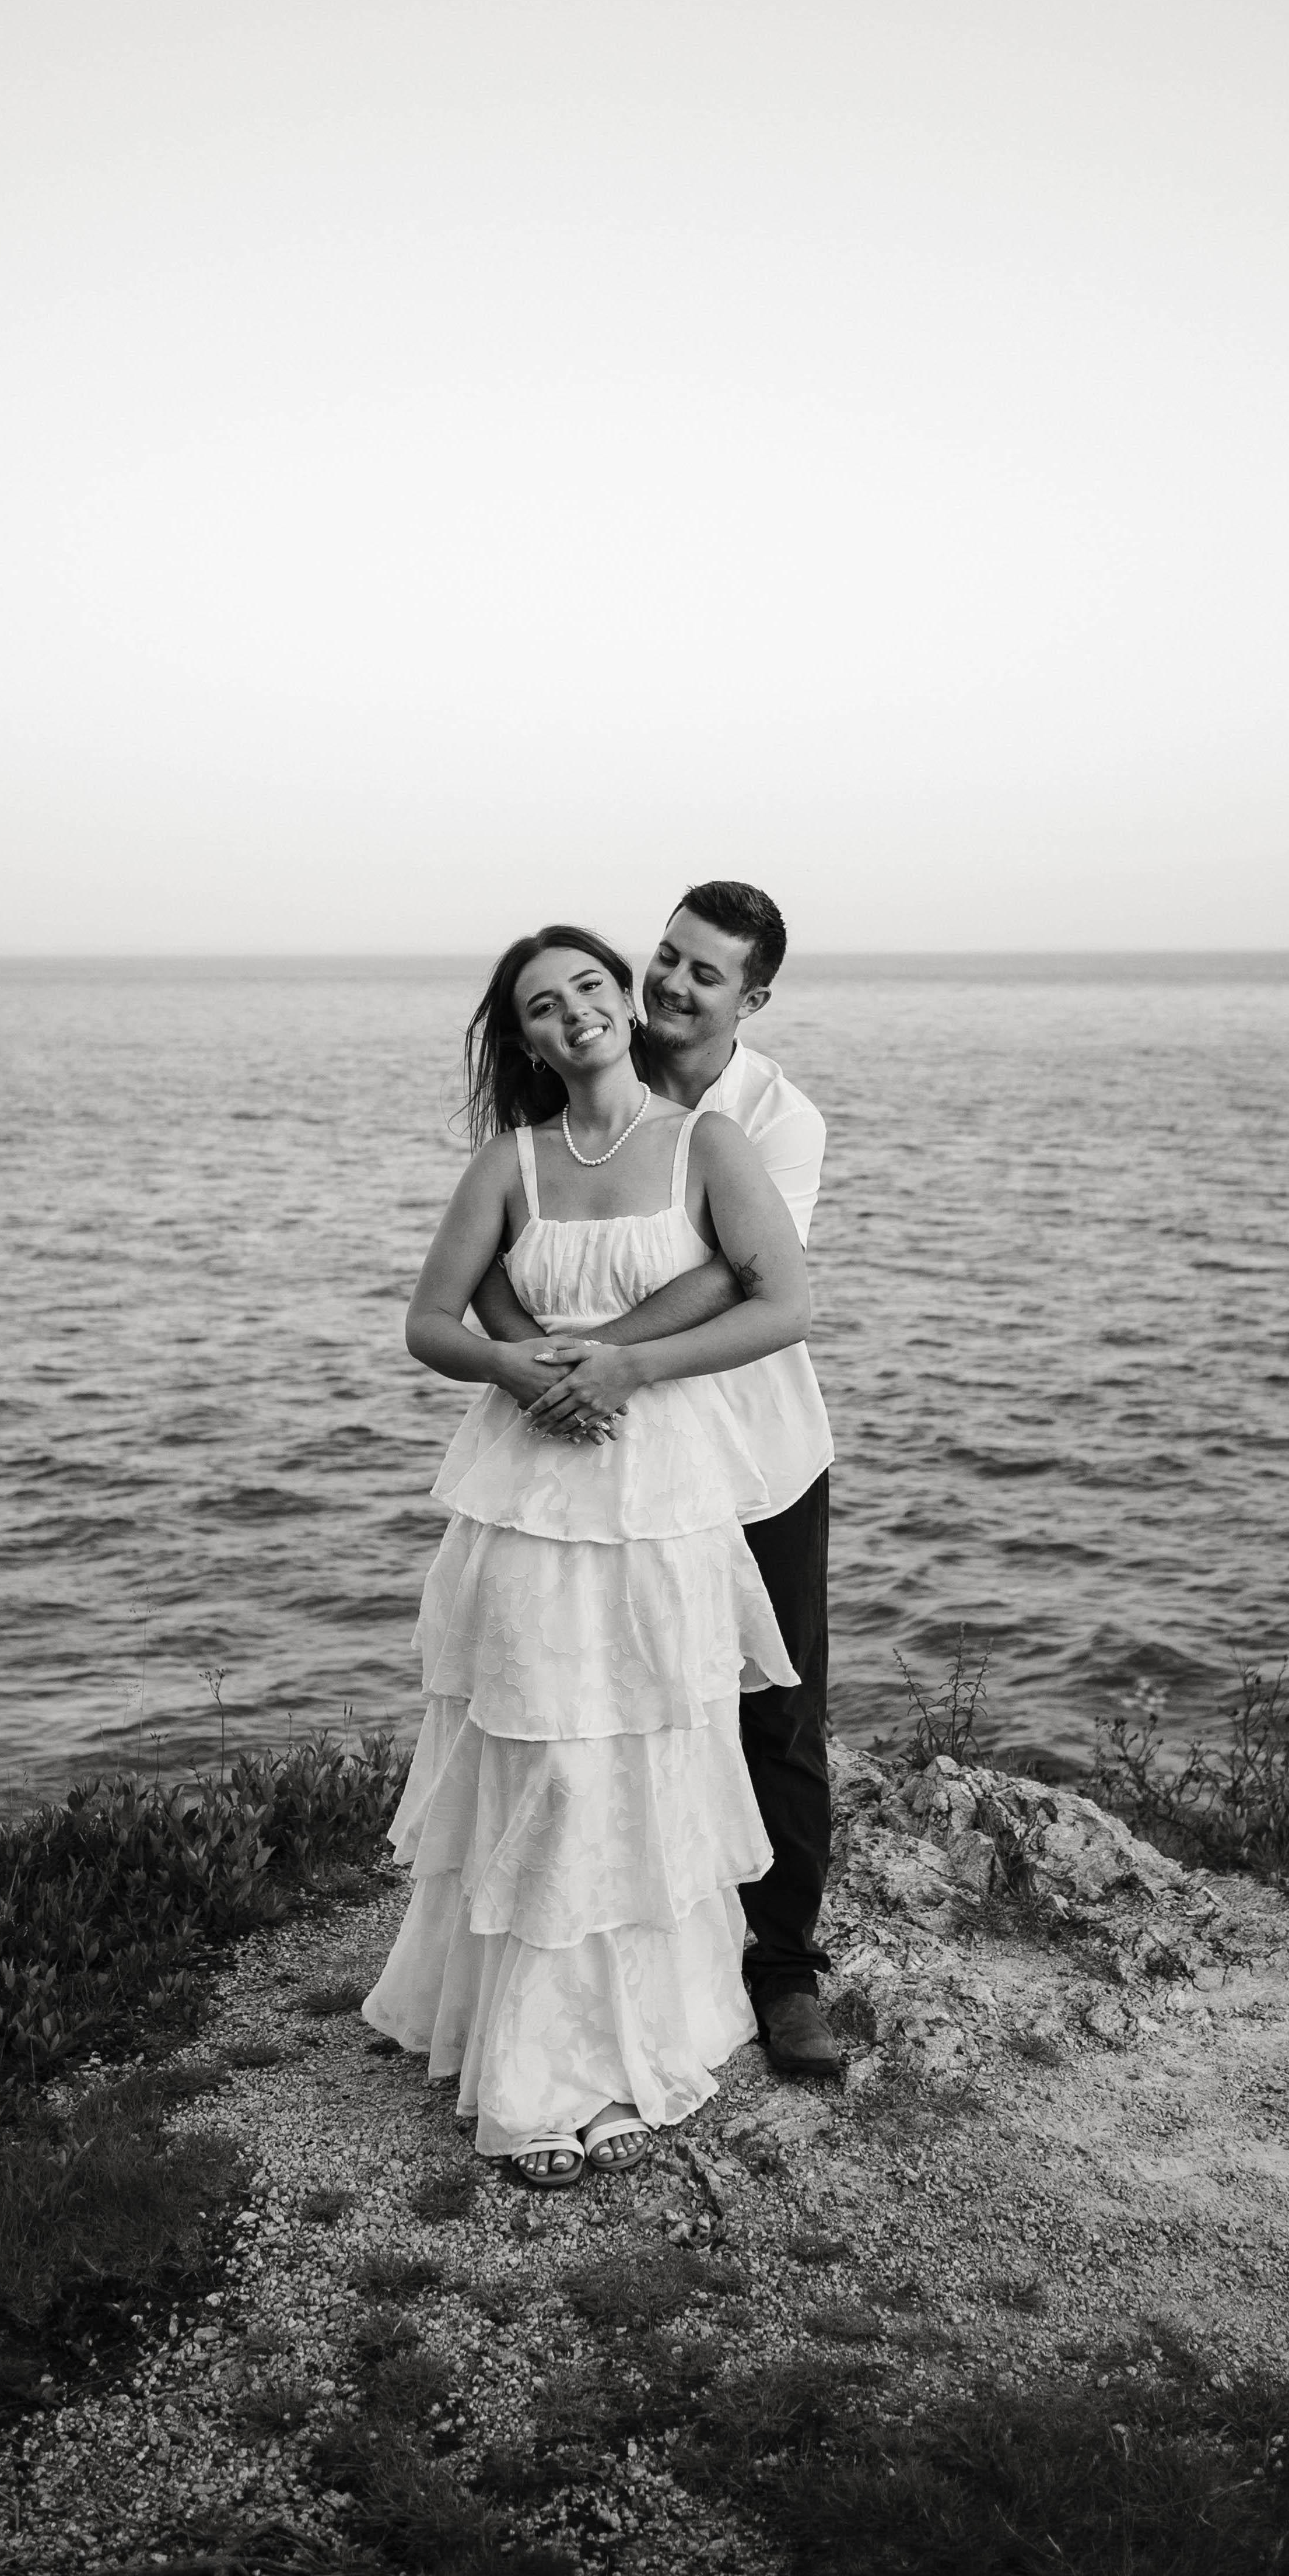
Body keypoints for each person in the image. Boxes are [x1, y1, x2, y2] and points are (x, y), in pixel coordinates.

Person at [362, 923, 817, 2187]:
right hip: (532, 1494)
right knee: (549, 1754)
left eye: (588, 987)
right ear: (525, 1040)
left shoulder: (710, 1145)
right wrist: (516, 1369)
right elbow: (429, 1321)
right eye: (541, 1007)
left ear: (622, 996)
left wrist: (630, 1368)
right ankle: (540, 2072)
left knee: (651, 1753)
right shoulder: (511, 1162)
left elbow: (785, 1304)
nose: (575, 1014)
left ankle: (628, 2055)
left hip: (661, 1490)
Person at [472, 883, 848, 2082]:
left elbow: (744, 1277)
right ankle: (626, 1958)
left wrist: (608, 1357)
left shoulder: (776, 1119)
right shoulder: (586, 1060)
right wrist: (540, 1365)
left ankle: (784, 1973)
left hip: (754, 1455)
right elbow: (502, 1244)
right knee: (608, 1703)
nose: (673, 985)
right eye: (669, 957)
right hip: (602, 1462)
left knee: (775, 1710)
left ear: (754, 998)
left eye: (707, 972)